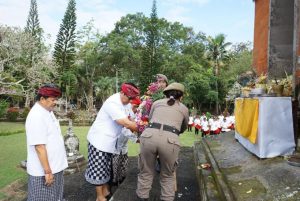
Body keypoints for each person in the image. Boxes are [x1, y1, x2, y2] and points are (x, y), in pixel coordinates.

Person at [85, 83, 140, 201]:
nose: (130, 101)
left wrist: (139, 127)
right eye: (129, 98)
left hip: (110, 142)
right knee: (98, 169)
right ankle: (99, 197)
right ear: (122, 93)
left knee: (106, 168)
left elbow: (132, 119)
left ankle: (105, 191)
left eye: (132, 99)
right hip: (99, 141)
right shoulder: (113, 102)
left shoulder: (126, 103)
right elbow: (126, 123)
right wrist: (144, 130)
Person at [136, 82, 189, 201]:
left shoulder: (156, 103)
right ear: (181, 96)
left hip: (149, 136)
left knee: (146, 172)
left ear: (165, 94)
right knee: (168, 175)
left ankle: (142, 198)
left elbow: (150, 119)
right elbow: (183, 127)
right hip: (170, 140)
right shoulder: (183, 108)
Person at [25, 84, 68, 201]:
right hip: (43, 172)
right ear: (42, 99)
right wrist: (47, 171)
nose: (55, 102)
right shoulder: (36, 116)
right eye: (53, 100)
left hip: (55, 166)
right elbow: (39, 147)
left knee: (55, 197)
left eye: (56, 99)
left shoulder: (47, 111)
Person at [111, 97, 141, 186]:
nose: (136, 109)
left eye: (137, 107)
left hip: (124, 144)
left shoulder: (134, 114)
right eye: (135, 106)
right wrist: (136, 139)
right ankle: (114, 181)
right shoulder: (124, 113)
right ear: (130, 104)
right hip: (116, 143)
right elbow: (125, 130)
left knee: (124, 161)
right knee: (115, 163)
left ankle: (122, 178)